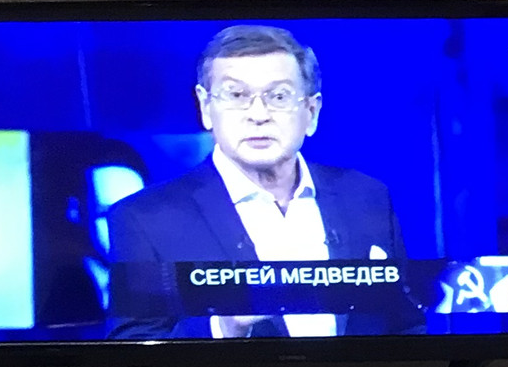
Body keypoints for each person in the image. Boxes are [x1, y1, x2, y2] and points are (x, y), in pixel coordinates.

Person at [106, 22, 416, 340]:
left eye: (279, 96)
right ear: (206, 107)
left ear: (311, 111)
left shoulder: (367, 196)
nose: (258, 114)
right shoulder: (144, 218)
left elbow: (407, 325)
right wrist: (223, 328)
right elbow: (132, 345)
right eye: (236, 95)